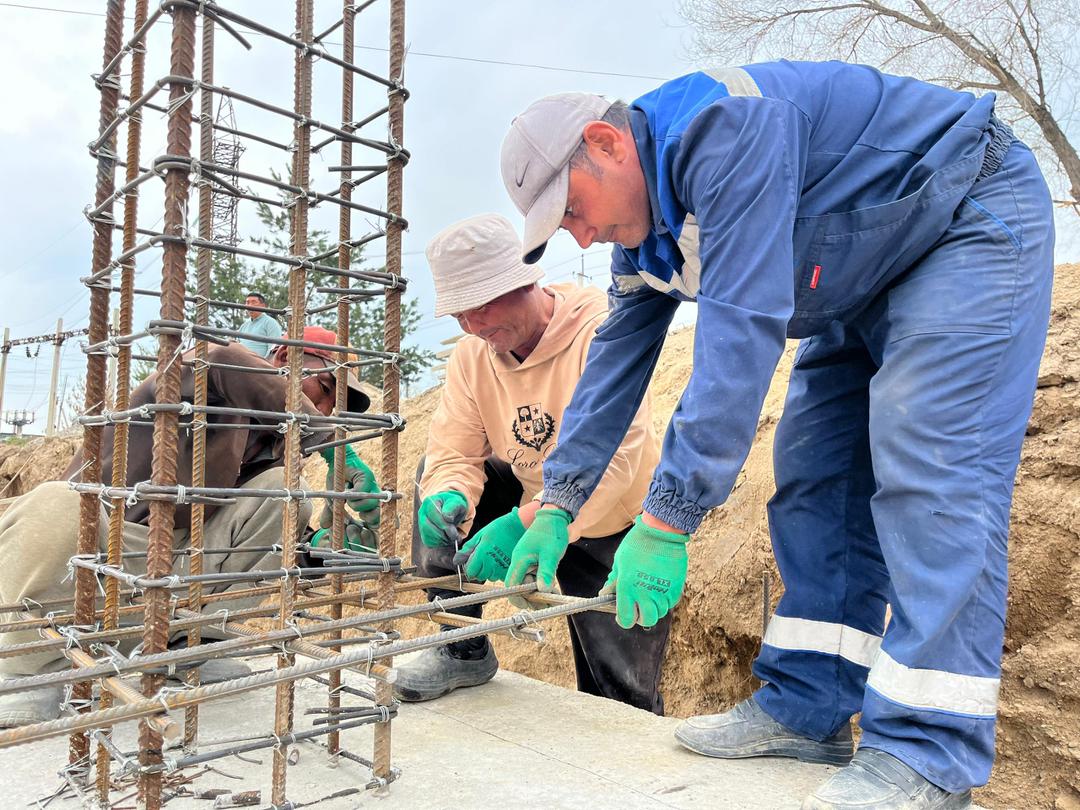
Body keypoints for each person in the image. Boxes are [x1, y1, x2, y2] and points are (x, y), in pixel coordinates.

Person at [498, 62, 1054, 810]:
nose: (581, 233)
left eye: (571, 210)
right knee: (814, 473)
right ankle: (810, 707)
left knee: (932, 468)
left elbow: (740, 330)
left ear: (606, 144)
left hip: (962, 215)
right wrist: (556, 504)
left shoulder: (723, 130)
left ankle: (929, 751)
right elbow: (614, 368)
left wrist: (667, 519)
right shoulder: (644, 243)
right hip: (860, 272)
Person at [0, 326, 380, 728]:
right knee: (58, 500)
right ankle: (31, 669)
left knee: (288, 493)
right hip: (106, 545)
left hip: (174, 564)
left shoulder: (273, 448)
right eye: (325, 390)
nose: (323, 410)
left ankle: (188, 647)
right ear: (286, 361)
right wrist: (331, 443)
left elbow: (256, 537)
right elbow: (219, 358)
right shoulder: (210, 379)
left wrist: (316, 545)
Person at [398, 213, 668, 713]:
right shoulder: (472, 356)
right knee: (434, 486)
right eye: (460, 315)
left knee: (618, 695)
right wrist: (450, 492)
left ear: (525, 279)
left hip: (616, 519)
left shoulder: (602, 327)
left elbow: (616, 455)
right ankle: (462, 645)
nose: (474, 327)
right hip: (533, 500)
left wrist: (526, 522)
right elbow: (455, 449)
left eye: (481, 306)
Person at [235, 291, 282, 357]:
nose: (250, 305)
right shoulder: (244, 325)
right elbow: (237, 344)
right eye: (247, 302)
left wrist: (265, 364)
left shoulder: (270, 323)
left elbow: (274, 348)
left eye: (254, 302)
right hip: (240, 362)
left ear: (263, 306)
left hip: (259, 365)